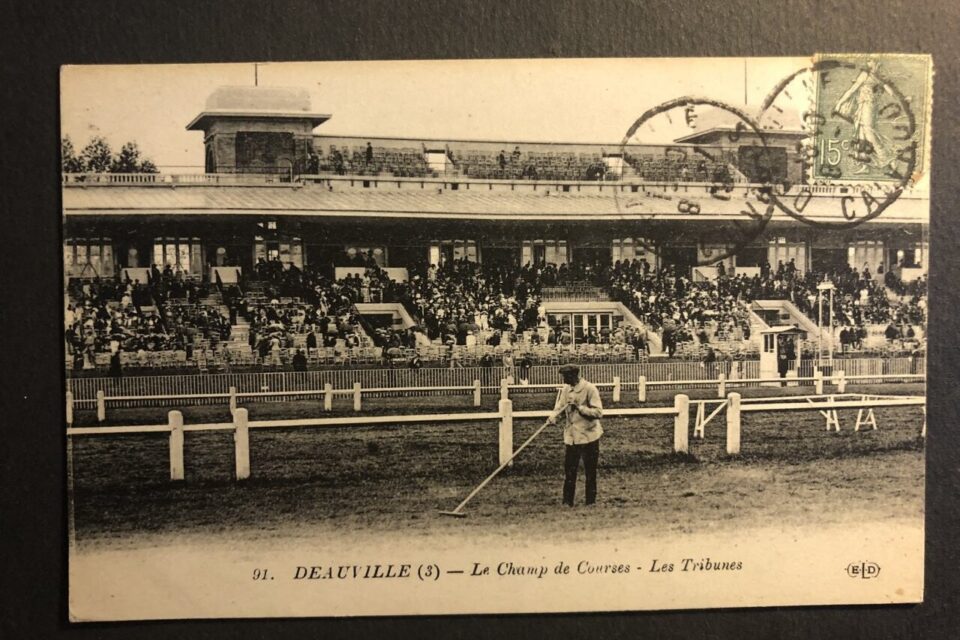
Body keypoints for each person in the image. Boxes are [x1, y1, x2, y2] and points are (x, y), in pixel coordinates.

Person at [546, 364, 603, 506]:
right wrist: (553, 416)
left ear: (574, 376)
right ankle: (567, 502)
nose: (564, 379)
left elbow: (598, 412)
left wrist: (580, 408)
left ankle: (590, 502)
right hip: (572, 438)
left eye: (566, 376)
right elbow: (558, 408)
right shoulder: (566, 390)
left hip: (589, 437)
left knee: (590, 471)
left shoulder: (590, 389)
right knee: (570, 471)